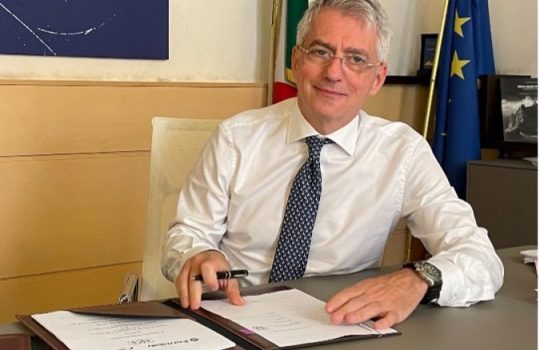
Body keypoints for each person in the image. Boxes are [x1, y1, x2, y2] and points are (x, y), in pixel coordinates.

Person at [162, 0, 503, 329]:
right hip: (232, 313)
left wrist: (417, 280)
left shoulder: (403, 152)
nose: (334, 73)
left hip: (337, 321)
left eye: (356, 59)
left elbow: (480, 257)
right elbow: (187, 233)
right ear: (296, 60)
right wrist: (199, 254)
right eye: (321, 52)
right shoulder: (236, 138)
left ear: (378, 77)